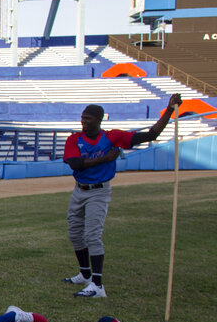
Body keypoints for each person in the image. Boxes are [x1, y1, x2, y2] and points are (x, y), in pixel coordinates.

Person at [62, 94, 182, 297]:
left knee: (92, 235)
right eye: (82, 118)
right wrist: (105, 159)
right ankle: (85, 274)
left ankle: (98, 286)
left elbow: (151, 135)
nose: (83, 121)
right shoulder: (75, 139)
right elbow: (74, 163)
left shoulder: (111, 137)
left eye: (88, 118)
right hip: (79, 189)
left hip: (98, 191)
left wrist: (169, 110)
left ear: (98, 120)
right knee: (74, 233)